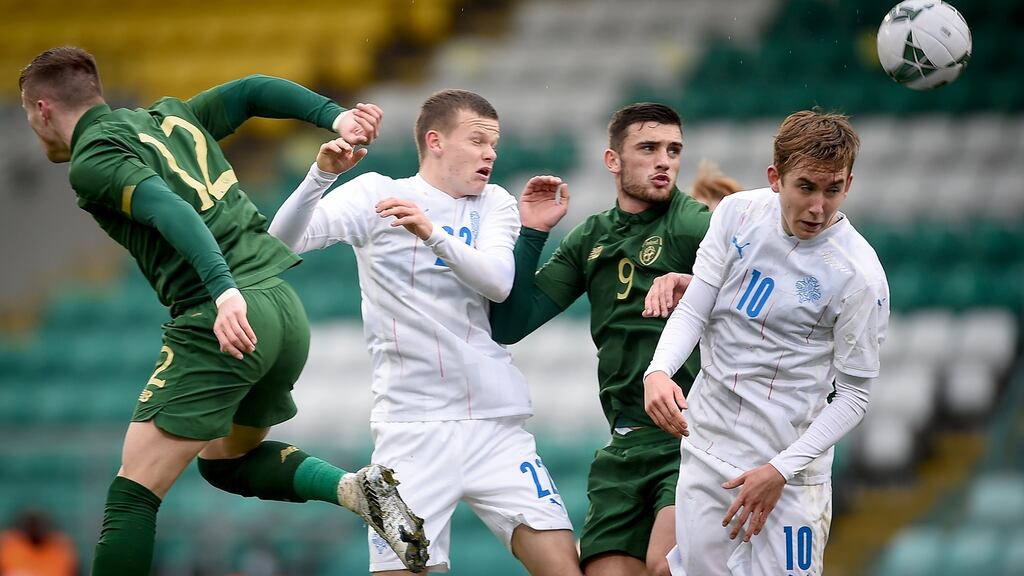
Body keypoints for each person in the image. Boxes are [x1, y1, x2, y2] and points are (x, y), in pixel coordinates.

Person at [18, 46, 428, 575]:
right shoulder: (167, 116)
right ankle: (352, 488)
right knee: (225, 462)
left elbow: (170, 208)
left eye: (28, 113)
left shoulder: (94, 158)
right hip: (282, 309)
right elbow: (252, 90)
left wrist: (222, 290)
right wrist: (335, 115)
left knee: (132, 496)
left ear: (43, 108)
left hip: (224, 318)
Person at [268, 89, 580, 575]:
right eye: (477, 140)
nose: (490, 153)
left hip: (495, 424)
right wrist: (321, 176)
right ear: (435, 141)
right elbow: (280, 242)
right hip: (411, 431)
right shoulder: (376, 193)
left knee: (563, 567)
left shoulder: (494, 202)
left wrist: (430, 233)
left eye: (493, 144)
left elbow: (499, 282)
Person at [643, 110, 889, 575]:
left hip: (790, 476)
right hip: (708, 453)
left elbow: (854, 396)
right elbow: (694, 308)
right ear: (775, 178)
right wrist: (658, 371)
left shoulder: (860, 274)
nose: (819, 206)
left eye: (832, 189)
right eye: (806, 188)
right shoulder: (737, 214)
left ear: (848, 185)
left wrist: (779, 471)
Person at [489, 102, 712, 576]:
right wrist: (532, 232)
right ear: (613, 161)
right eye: (648, 148)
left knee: (666, 567)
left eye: (673, 150)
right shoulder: (589, 238)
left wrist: (691, 283)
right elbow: (509, 325)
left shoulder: (693, 225)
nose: (664, 161)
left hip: (693, 439)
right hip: (624, 447)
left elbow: (757, 295)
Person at [0, 509, 78, 576]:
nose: (35, 529)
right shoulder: (9, 544)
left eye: (37, 525)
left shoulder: (60, 546)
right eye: (32, 525)